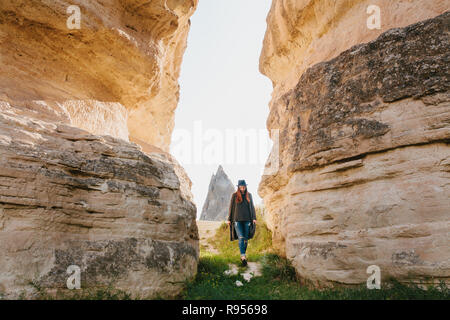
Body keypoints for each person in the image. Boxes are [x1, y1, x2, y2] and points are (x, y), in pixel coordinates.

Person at [227, 179, 257, 266]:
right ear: (238, 187)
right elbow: (231, 207)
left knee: (246, 239)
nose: (243, 188)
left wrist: (254, 218)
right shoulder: (234, 195)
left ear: (246, 186)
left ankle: (243, 254)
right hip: (237, 220)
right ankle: (243, 257)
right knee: (241, 237)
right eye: (241, 187)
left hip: (247, 220)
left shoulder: (249, 195)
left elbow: (252, 207)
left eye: (244, 187)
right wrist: (229, 219)